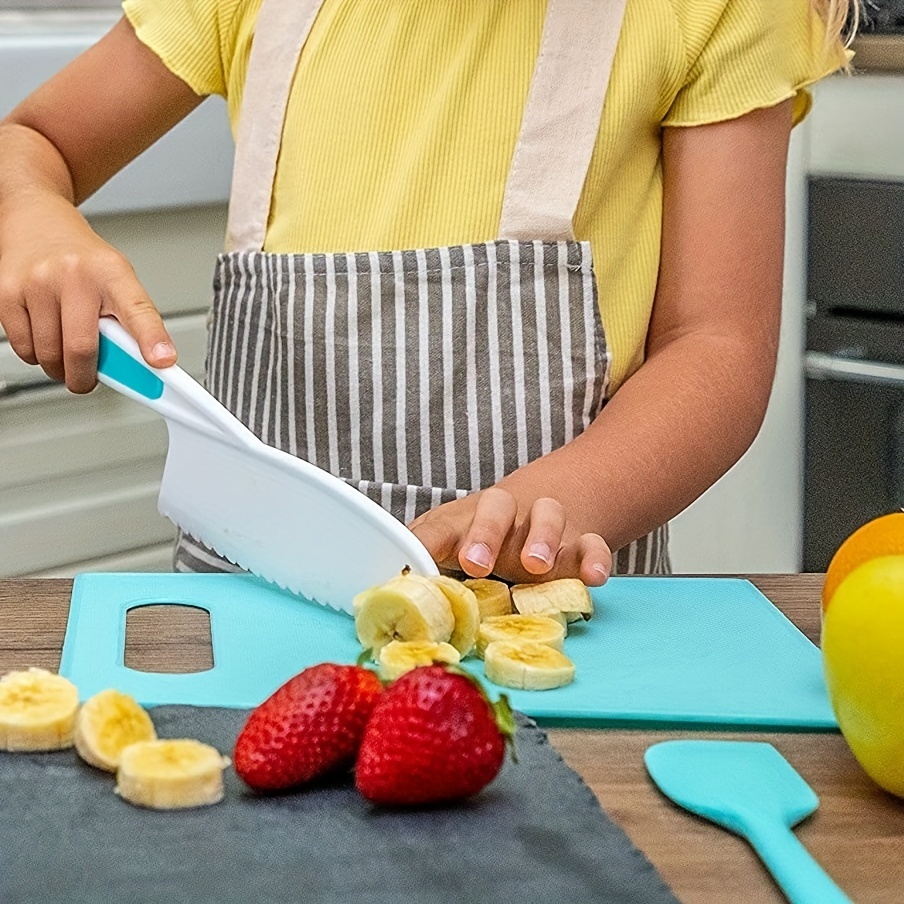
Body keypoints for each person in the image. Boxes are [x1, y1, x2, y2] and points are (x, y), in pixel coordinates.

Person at [0, 0, 853, 586]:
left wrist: (562, 501)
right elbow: (33, 143)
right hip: (247, 618)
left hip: (540, 638)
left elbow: (716, 345)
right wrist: (32, 212)